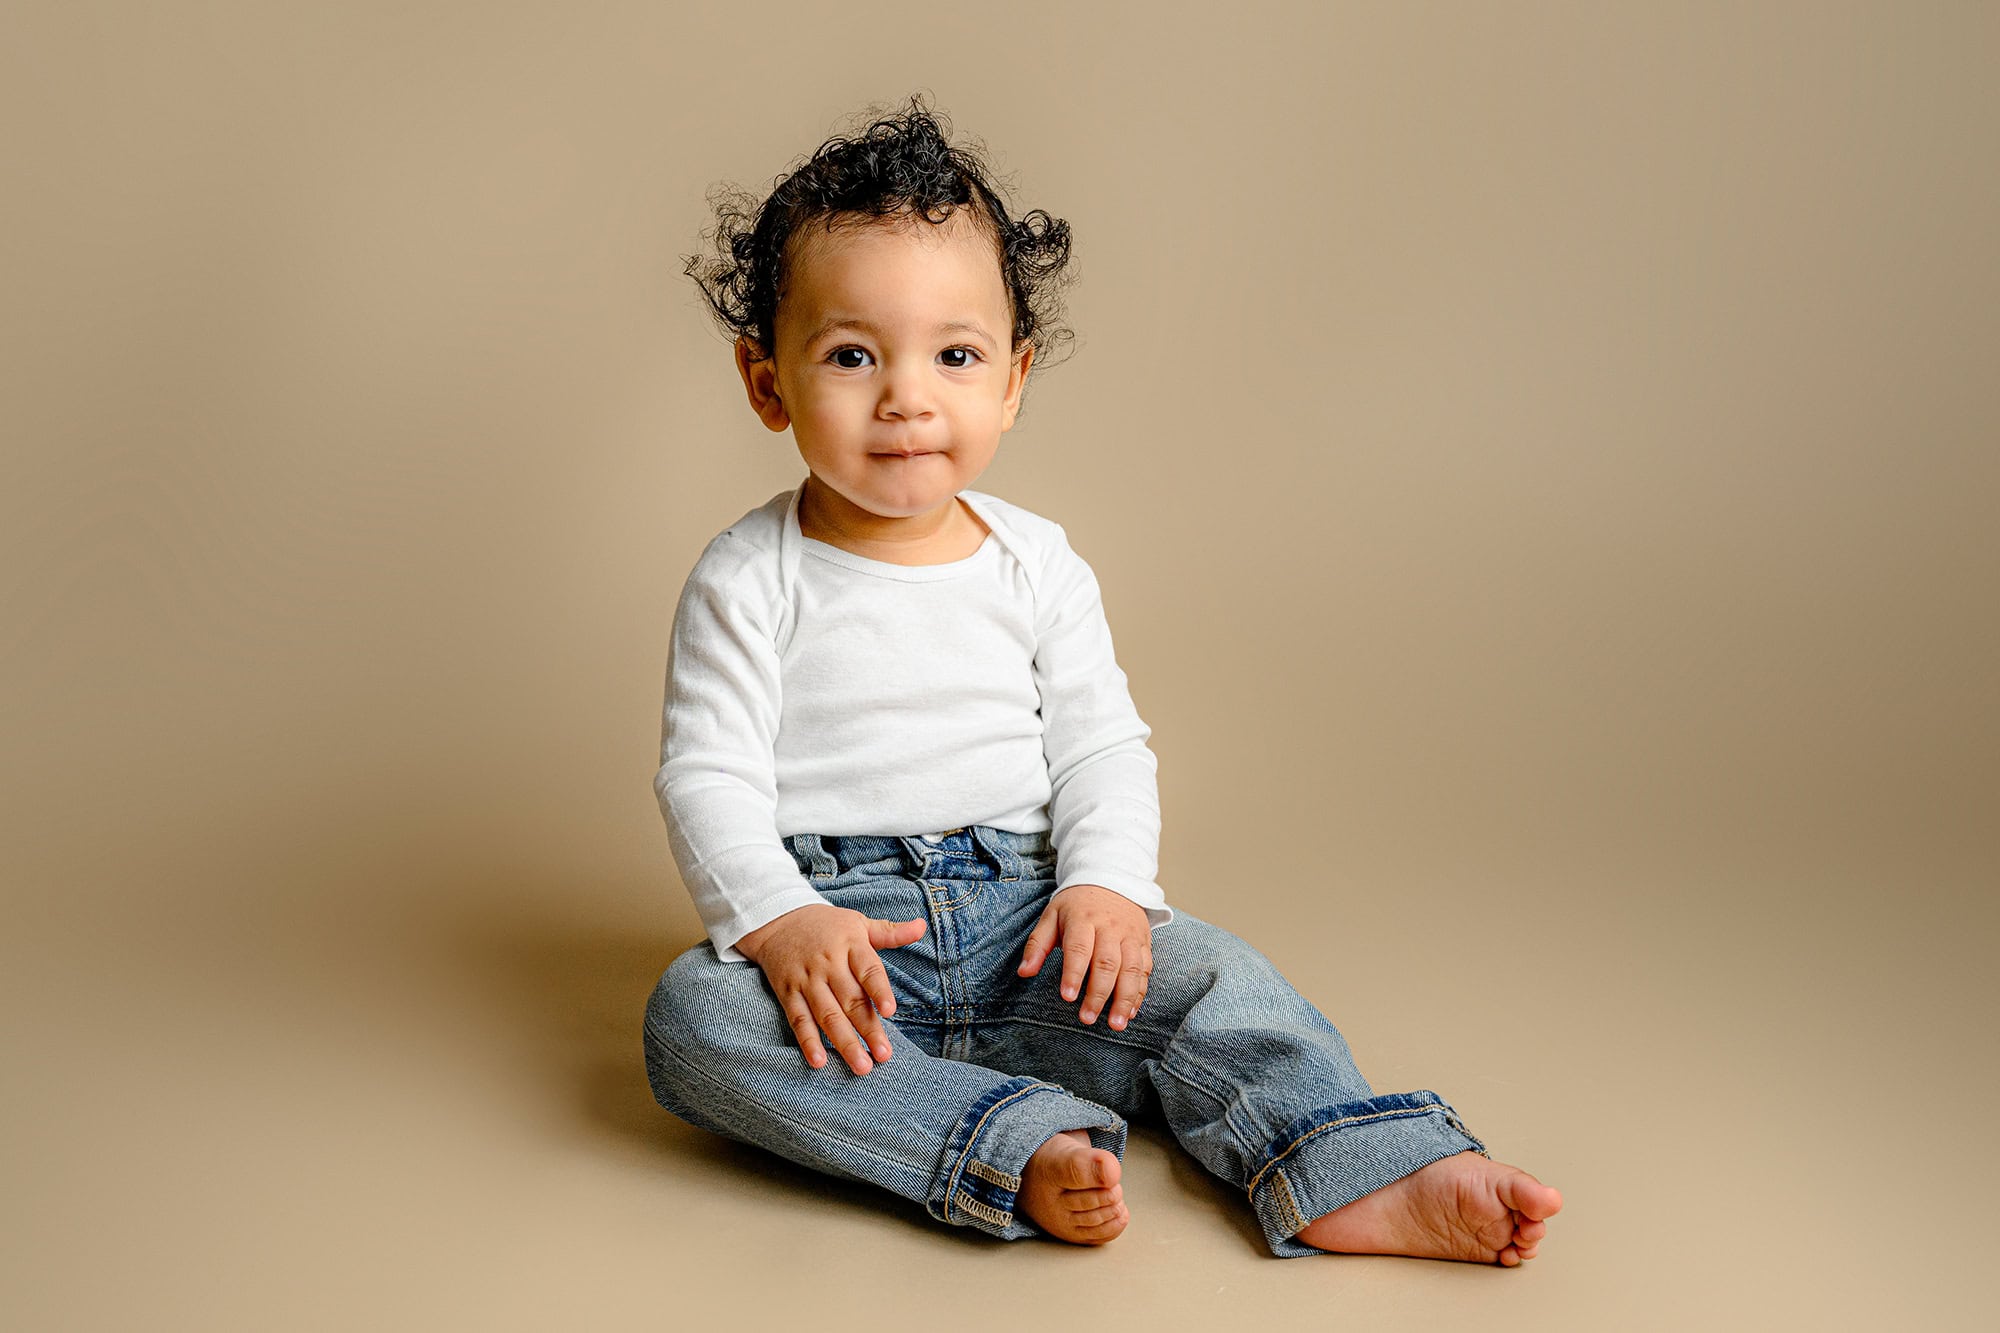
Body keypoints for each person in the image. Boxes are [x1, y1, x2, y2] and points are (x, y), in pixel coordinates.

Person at [642, 95, 1562, 1262]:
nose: (906, 395)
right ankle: (1003, 1141)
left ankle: (1344, 1162)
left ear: (1012, 379)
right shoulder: (746, 576)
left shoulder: (1035, 561)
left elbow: (1098, 747)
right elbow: (706, 772)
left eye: (954, 354)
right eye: (850, 354)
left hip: (1032, 923)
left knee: (1219, 978)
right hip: (846, 943)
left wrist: (1107, 888)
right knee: (693, 1019)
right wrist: (780, 921)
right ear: (766, 381)